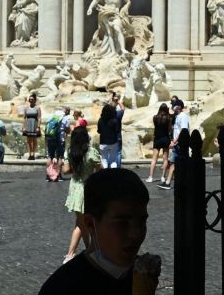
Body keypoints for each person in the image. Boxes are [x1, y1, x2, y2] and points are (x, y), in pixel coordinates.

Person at [40, 168, 149, 293]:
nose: (136, 234)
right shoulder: (60, 288)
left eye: (142, 222)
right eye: (122, 223)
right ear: (90, 224)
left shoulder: (140, 274)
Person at [60, 126, 102, 265]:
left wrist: (75, 164)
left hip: (75, 189)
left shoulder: (71, 152)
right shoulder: (91, 152)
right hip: (88, 188)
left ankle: (83, 251)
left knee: (81, 222)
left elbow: (65, 170)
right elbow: (100, 170)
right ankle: (83, 252)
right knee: (84, 222)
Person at [159, 104, 190, 190]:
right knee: (174, 163)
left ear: (179, 107)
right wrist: (173, 140)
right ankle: (169, 182)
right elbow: (176, 130)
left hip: (180, 144)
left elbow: (183, 130)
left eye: (174, 105)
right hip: (177, 144)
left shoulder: (183, 116)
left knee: (177, 163)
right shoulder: (177, 116)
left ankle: (169, 182)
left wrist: (175, 141)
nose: (173, 107)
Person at [147, 104, 172, 183]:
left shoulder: (155, 117)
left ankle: (151, 177)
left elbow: (156, 127)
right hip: (165, 138)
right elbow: (169, 129)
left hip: (157, 138)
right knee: (165, 159)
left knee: (154, 159)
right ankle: (163, 177)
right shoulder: (168, 118)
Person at [97, 104, 121, 169]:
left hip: (103, 143)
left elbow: (99, 131)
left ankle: (105, 176)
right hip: (113, 142)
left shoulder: (100, 120)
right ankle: (113, 176)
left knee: (104, 161)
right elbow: (118, 131)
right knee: (113, 161)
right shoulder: (115, 121)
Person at [45, 109, 65, 181]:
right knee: (59, 156)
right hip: (57, 141)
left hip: (49, 140)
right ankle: (58, 175)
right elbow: (60, 133)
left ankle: (48, 176)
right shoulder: (59, 122)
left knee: (50, 156)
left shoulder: (50, 121)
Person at [22, 94, 42, 160]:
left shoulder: (37, 108)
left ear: (35, 100)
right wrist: (24, 126)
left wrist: (38, 127)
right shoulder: (26, 108)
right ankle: (30, 153)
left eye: (32, 99)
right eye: (30, 99)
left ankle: (33, 153)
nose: (31, 100)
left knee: (34, 140)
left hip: (35, 124)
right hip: (28, 124)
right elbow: (24, 118)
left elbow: (39, 118)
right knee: (28, 140)